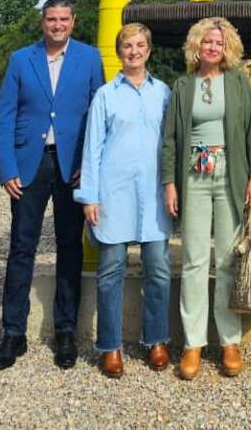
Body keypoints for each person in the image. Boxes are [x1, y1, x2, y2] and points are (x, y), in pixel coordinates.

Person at [0, 0, 105, 371]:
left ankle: (66, 331)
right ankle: (13, 333)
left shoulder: (89, 58)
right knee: (22, 245)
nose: (57, 25)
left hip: (71, 165)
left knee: (70, 246)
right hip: (29, 163)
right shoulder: (22, 59)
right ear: (43, 22)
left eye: (63, 19)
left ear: (74, 21)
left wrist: (88, 166)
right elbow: (5, 114)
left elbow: (97, 115)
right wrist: (7, 168)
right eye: (51, 19)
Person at [161, 17, 251, 380]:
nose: (212, 47)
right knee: (192, 259)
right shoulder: (182, 85)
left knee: (226, 259)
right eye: (206, 41)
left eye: (218, 42)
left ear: (227, 48)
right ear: (196, 46)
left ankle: (229, 340)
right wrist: (169, 184)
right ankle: (192, 343)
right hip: (192, 174)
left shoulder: (237, 82)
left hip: (230, 174)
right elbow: (171, 138)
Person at [74, 23, 171, 378]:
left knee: (158, 268)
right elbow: (92, 148)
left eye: (140, 45)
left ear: (149, 50)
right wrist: (89, 196)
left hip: (154, 196)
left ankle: (156, 338)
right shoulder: (105, 95)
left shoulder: (164, 93)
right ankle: (111, 344)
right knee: (110, 270)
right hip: (113, 195)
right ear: (119, 52)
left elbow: (171, 146)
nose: (134, 51)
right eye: (127, 45)